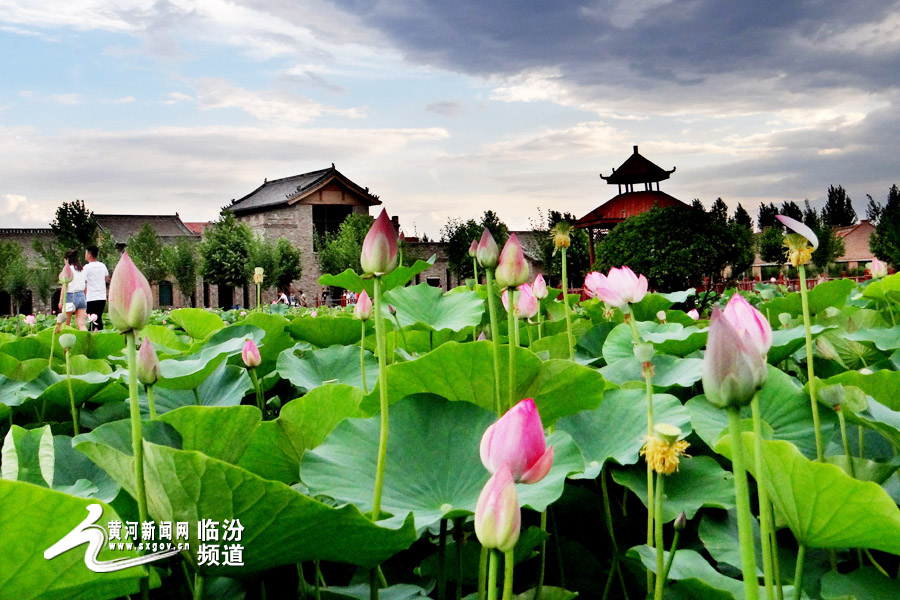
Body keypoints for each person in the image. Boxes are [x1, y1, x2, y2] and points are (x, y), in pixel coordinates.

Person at [83, 245, 109, 331]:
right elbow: (106, 278)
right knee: (99, 318)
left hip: (91, 297)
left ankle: (95, 337)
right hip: (101, 297)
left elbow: (84, 282)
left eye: (86, 253)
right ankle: (101, 334)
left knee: (92, 320)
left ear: (89, 255)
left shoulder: (86, 268)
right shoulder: (103, 266)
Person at [61, 250, 88, 331]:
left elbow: (64, 286)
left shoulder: (67, 270)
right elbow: (85, 286)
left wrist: (61, 301)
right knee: (82, 324)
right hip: (81, 296)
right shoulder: (82, 270)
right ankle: (86, 340)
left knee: (66, 324)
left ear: (66, 260)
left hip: (70, 296)